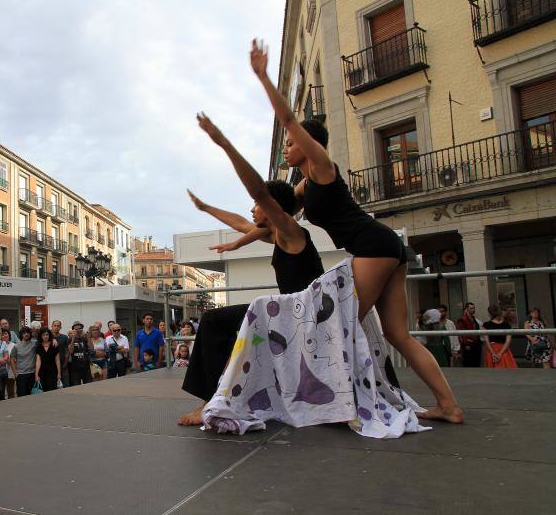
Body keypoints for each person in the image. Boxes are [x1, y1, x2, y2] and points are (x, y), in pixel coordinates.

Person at [247, 39, 462, 423]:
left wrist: (263, 78)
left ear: (307, 145)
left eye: (291, 144)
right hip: (384, 247)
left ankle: (349, 406)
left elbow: (291, 121)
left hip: (372, 246)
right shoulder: (304, 185)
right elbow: (279, 213)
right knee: (397, 334)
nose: (286, 149)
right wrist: (242, 231)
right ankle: (448, 405)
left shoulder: (324, 167)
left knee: (338, 326)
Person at [179, 116, 327, 425]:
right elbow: (240, 222)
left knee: (213, 320)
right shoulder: (277, 234)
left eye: (257, 204)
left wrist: (223, 143)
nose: (252, 210)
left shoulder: (291, 231)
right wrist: (206, 208)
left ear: (272, 206)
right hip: (286, 314)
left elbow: (261, 195)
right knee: (219, 324)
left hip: (298, 318)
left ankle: (211, 401)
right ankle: (222, 394)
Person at [11, 326, 36, 396]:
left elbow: (45, 339)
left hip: (32, 374)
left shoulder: (34, 344)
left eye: (28, 332)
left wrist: (53, 339)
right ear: (21, 334)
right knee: (21, 396)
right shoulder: (16, 346)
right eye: (24, 333)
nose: (26, 334)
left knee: (31, 395)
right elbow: (11, 359)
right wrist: (15, 373)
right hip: (21, 375)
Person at [35, 327, 61, 391]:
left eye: (47, 334)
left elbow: (57, 360)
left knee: (52, 390)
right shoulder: (38, 346)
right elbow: (38, 361)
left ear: (49, 335)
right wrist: (36, 374)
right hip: (42, 373)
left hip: (53, 372)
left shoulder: (54, 345)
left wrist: (59, 373)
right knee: (43, 391)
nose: (45, 336)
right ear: (41, 336)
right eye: (43, 335)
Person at [457, 302, 482, 368]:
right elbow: (462, 333)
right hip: (469, 344)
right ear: (466, 309)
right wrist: (466, 344)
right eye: (471, 308)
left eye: (474, 308)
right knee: (469, 364)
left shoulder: (473, 318)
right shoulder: (463, 319)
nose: (473, 310)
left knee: (476, 363)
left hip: (476, 343)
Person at [67, 321, 92, 386]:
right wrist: (73, 338)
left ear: (82, 329)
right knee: (76, 385)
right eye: (76, 329)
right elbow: (70, 351)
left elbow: (91, 348)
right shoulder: (70, 339)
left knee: (88, 384)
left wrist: (88, 337)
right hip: (75, 366)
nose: (78, 330)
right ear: (73, 330)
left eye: (79, 328)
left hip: (86, 365)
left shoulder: (85, 337)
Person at [51, 320, 70, 388]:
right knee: (52, 386)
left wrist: (65, 362)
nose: (56, 327)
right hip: (51, 366)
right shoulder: (47, 337)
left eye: (58, 326)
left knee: (65, 385)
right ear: (52, 326)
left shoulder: (64, 337)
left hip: (63, 365)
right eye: (55, 326)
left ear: (60, 327)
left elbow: (67, 351)